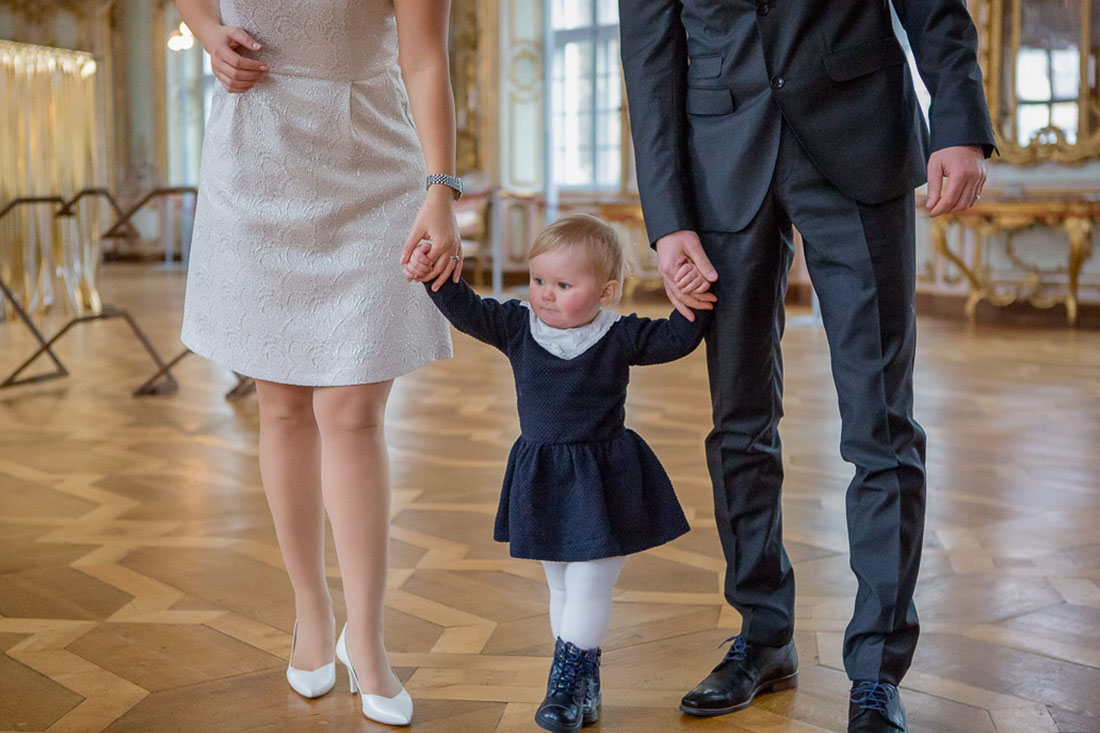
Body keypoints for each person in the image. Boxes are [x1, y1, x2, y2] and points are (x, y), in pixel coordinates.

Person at [617, 1, 996, 731]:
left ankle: (878, 669)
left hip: (859, 132)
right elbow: (649, 56)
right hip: (719, 159)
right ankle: (762, 633)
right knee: (739, 421)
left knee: (881, 421)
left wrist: (958, 120)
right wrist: (667, 220)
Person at [176, 0, 463, 725]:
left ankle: (365, 635)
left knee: (353, 411)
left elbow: (425, 56)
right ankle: (312, 610)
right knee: (280, 406)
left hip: (370, 163)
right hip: (257, 158)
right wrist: (210, 35)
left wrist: (441, 191)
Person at [406, 214, 709, 732]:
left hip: (604, 479)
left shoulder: (618, 335)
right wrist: (434, 270)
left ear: (607, 291)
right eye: (539, 280)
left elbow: (676, 339)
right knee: (563, 587)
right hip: (542, 478)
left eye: (564, 285)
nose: (545, 294)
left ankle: (564, 682)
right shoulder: (518, 326)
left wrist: (691, 298)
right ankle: (583, 685)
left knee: (592, 580)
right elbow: (465, 310)